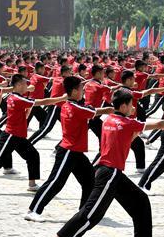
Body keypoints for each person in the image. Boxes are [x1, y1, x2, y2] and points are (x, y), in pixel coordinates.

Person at [45, 89, 164, 237]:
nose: (133, 107)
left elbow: (126, 140)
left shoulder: (108, 120)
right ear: (124, 106)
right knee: (92, 213)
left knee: (141, 200)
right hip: (108, 173)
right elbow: (160, 125)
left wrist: (134, 126)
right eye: (131, 104)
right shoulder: (127, 123)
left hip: (113, 173)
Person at [25, 76, 113, 221]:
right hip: (68, 151)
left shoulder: (69, 104)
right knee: (55, 182)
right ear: (73, 91)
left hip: (77, 152)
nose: (83, 91)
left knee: (90, 180)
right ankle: (33, 210)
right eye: (80, 89)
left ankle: (84, 212)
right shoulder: (75, 107)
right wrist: (113, 109)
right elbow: (95, 112)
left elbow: (89, 109)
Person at [0, 74, 67, 194]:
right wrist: (61, 98)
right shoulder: (17, 98)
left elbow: (25, 116)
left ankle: (32, 184)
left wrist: (29, 108)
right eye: (25, 83)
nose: (27, 86)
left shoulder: (13, 97)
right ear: (19, 85)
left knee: (33, 155)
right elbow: (44, 101)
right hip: (10, 136)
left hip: (19, 136)